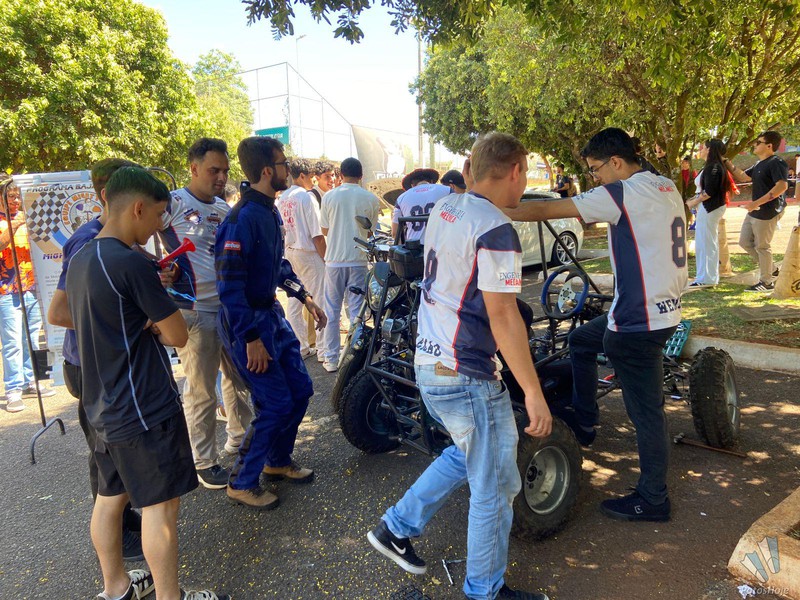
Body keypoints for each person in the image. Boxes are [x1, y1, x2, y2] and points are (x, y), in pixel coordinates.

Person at [368, 132, 552, 600]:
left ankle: (396, 526)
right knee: (493, 488)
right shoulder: (496, 230)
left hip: (431, 364)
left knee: (470, 454)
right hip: (465, 374)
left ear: (471, 169)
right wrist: (533, 392)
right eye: (525, 174)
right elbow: (503, 315)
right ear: (516, 171)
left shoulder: (446, 208)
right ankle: (484, 590)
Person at [507, 127, 687, 522]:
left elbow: (543, 211)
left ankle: (653, 498)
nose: (595, 178)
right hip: (660, 311)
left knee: (648, 413)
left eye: (595, 170)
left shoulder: (622, 192)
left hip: (637, 322)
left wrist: (495, 207)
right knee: (583, 341)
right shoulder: (665, 185)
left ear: (616, 162)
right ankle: (585, 421)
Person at [67, 167, 228, 600]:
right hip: (143, 405)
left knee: (110, 497)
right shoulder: (131, 262)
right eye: (158, 215)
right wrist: (153, 320)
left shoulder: (81, 256)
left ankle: (115, 588)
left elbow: (89, 315)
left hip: (101, 403)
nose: (159, 226)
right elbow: (177, 334)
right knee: (161, 508)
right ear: (137, 208)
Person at [216, 136, 327, 510]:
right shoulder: (241, 219)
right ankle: (241, 481)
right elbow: (229, 287)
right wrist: (250, 338)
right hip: (247, 325)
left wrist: (304, 296)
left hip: (272, 317)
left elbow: (277, 264)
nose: (288, 170)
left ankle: (277, 461)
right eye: (283, 164)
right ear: (267, 171)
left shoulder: (269, 210)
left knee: (301, 390)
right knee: (275, 403)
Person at [47, 159, 146, 561]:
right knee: (105, 455)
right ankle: (116, 537)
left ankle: (125, 518)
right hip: (90, 365)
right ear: (109, 195)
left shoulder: (119, 239)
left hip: (109, 363)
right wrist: (119, 323)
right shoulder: (87, 242)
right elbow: (59, 312)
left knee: (117, 450)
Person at [158, 138, 253, 490]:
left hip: (228, 310)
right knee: (201, 391)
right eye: (214, 170)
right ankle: (203, 461)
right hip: (194, 312)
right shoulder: (172, 203)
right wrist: (159, 268)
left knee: (238, 380)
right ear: (194, 168)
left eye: (225, 171)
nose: (221, 177)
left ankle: (239, 438)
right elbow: (134, 234)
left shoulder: (223, 207)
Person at [318, 157, 381, 372]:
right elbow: (370, 232)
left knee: (332, 309)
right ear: (361, 175)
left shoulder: (329, 197)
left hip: (334, 261)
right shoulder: (370, 198)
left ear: (341, 175)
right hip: (358, 260)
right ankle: (353, 360)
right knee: (356, 311)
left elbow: (324, 230)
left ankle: (331, 359)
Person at [0, 182, 55, 413]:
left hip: (31, 288)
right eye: (10, 197)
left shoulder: (28, 217)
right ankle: (13, 389)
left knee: (32, 338)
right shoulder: (6, 221)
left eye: (17, 197)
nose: (15, 201)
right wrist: (14, 225)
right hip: (6, 290)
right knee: (12, 342)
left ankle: (32, 381)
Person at [724, 131, 789, 292]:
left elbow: (782, 186)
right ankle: (772, 269)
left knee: (762, 246)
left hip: (768, 211)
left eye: (758, 142)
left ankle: (766, 282)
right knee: (744, 242)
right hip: (755, 210)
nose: (755, 144)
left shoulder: (776, 162)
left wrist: (756, 203)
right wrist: (726, 162)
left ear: (769, 146)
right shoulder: (760, 164)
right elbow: (743, 177)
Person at [277, 158, 326, 360]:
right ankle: (324, 350)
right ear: (303, 175)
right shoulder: (306, 198)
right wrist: (325, 258)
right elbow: (317, 234)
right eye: (312, 177)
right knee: (321, 300)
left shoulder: (282, 198)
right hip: (308, 253)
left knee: (294, 301)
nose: (313, 181)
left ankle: (301, 347)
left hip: (290, 252)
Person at [685, 139, 730, 287]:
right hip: (706, 207)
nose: (701, 150)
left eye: (703, 147)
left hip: (710, 207)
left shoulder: (714, 167)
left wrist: (693, 202)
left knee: (706, 242)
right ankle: (704, 277)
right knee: (704, 241)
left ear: (710, 149)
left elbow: (709, 191)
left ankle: (707, 278)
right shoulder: (710, 166)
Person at [391, 168, 450, 243]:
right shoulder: (447, 190)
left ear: (412, 185)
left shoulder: (401, 198)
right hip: (440, 245)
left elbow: (395, 233)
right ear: (432, 182)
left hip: (414, 246)